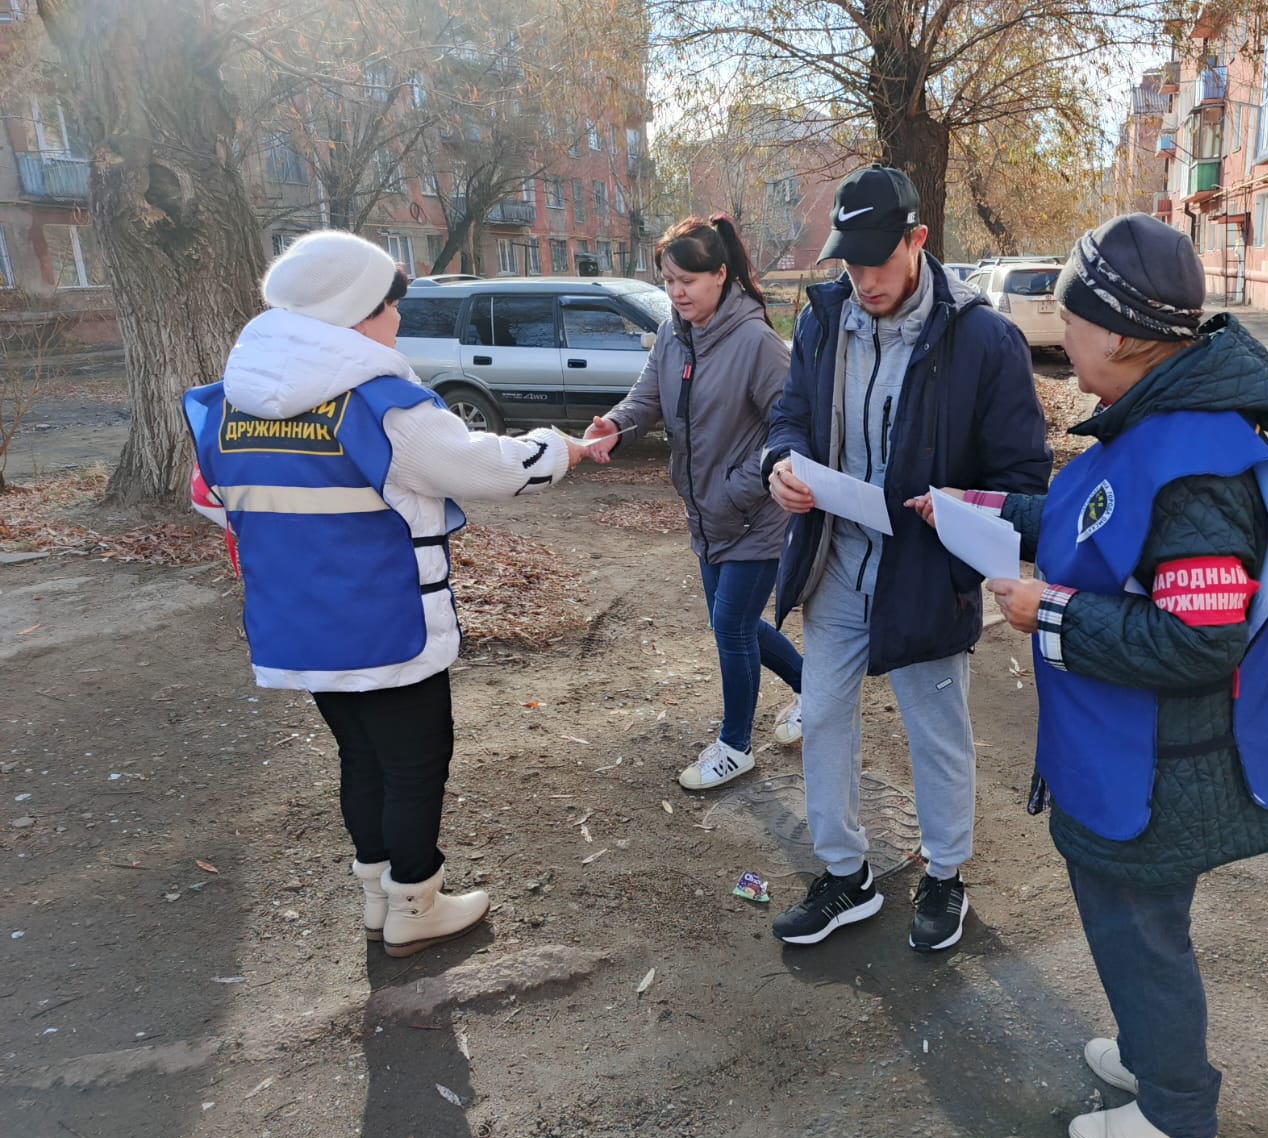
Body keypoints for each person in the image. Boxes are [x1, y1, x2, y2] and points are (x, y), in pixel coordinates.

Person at [920, 213, 1268, 1138]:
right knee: (1131, 926)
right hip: (1129, 756)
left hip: (1166, 768)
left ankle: (1181, 1119)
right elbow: (1093, 518)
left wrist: (1045, 614)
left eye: (1073, 314)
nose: (1061, 330)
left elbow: (1200, 638)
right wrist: (985, 509)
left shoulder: (1201, 462)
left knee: (1143, 934)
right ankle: (1150, 1055)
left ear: (1126, 334)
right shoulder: (1157, 423)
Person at [184, 230, 589, 958]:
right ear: (358, 314)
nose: (398, 319)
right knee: (414, 762)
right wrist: (562, 449)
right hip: (388, 623)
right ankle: (415, 904)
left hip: (298, 628)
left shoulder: (225, 409)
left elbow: (216, 502)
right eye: (391, 305)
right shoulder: (382, 407)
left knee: (360, 759)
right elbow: (481, 467)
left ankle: (377, 896)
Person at [764, 165, 1050, 952]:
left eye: (875, 261)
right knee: (820, 716)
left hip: (926, 569)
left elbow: (1025, 479)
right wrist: (781, 465)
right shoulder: (824, 318)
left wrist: (963, 500)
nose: (861, 279)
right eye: (849, 264)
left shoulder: (984, 339)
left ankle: (946, 875)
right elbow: (790, 414)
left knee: (936, 729)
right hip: (834, 557)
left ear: (918, 241)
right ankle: (845, 875)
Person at [584, 214, 802, 790]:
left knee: (730, 626)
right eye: (669, 281)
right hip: (707, 512)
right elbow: (647, 396)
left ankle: (735, 745)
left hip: (757, 514)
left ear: (721, 275)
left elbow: (792, 430)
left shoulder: (756, 343)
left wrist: (742, 486)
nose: (677, 292)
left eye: (689, 280)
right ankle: (821, 693)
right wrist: (614, 425)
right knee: (734, 622)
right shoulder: (674, 336)